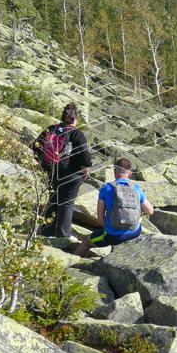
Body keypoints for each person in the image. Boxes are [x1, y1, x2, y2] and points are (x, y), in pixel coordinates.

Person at [34, 103, 92, 240]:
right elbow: (85, 156)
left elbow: (35, 146)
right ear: (75, 119)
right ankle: (63, 236)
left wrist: (41, 163)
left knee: (53, 200)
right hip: (71, 173)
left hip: (51, 171)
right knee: (66, 202)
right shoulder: (76, 133)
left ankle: (47, 231)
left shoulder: (51, 129)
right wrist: (86, 167)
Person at [73, 157, 153, 257]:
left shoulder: (106, 188)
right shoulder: (136, 187)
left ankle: (74, 262)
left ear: (114, 171)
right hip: (134, 233)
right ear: (130, 173)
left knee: (86, 242)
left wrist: (110, 227)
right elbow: (150, 211)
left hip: (112, 235)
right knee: (139, 222)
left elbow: (100, 217)